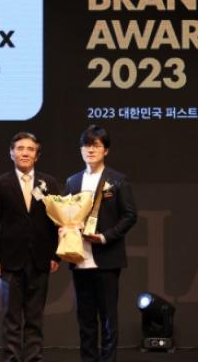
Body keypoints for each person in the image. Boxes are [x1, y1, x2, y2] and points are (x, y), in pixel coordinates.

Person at [64, 125, 138, 362]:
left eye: (96, 145)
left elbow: (130, 215)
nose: (91, 150)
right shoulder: (72, 181)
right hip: (79, 257)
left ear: (106, 150)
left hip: (107, 257)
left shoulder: (117, 180)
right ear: (80, 150)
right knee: (85, 318)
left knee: (108, 317)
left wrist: (105, 236)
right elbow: (65, 214)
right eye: (86, 145)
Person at [0, 131, 61, 362]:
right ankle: (11, 358)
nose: (25, 153)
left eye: (30, 149)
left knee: (35, 317)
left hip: (40, 259)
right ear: (11, 153)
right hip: (9, 260)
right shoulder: (0, 184)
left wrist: (56, 255)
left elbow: (57, 221)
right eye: (20, 148)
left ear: (37, 155)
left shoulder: (49, 183)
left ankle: (34, 358)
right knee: (11, 317)